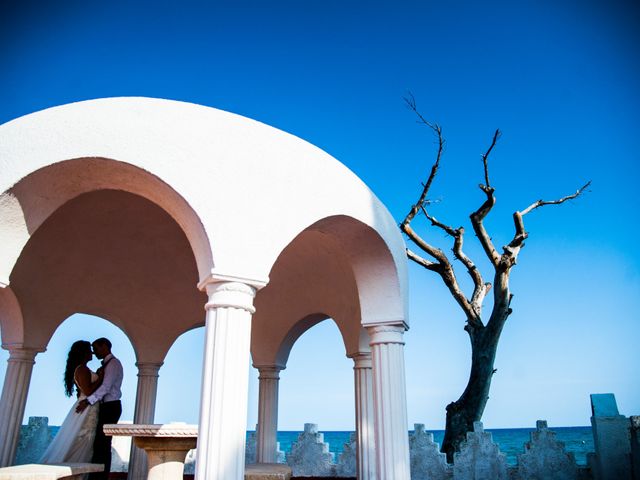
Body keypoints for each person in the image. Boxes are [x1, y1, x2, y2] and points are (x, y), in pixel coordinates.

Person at [39, 340, 103, 465]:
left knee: (85, 439)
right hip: (87, 408)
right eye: (89, 350)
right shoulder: (82, 369)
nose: (92, 353)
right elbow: (88, 391)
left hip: (89, 405)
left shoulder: (83, 369)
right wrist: (100, 378)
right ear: (83, 353)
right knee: (82, 438)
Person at [76, 337, 123, 480]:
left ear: (104, 347)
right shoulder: (106, 365)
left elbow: (106, 387)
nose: (94, 352)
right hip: (105, 406)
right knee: (99, 443)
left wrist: (88, 401)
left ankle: (100, 477)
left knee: (103, 443)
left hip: (111, 406)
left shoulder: (113, 364)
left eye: (95, 348)